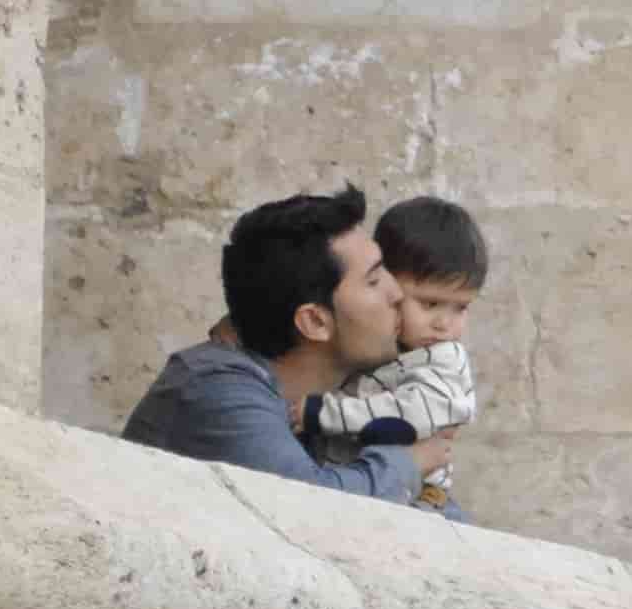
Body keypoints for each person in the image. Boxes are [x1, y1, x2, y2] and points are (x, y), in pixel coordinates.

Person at [121, 185, 460, 507]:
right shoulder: (217, 389)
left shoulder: (350, 389)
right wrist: (410, 463)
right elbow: (313, 507)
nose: (397, 293)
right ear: (314, 322)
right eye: (373, 281)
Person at [296, 193, 487, 514]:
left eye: (461, 308)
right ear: (388, 285)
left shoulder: (444, 361)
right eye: (429, 304)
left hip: (416, 499)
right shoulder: (376, 346)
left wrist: (320, 414)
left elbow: (405, 417)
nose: (444, 324)